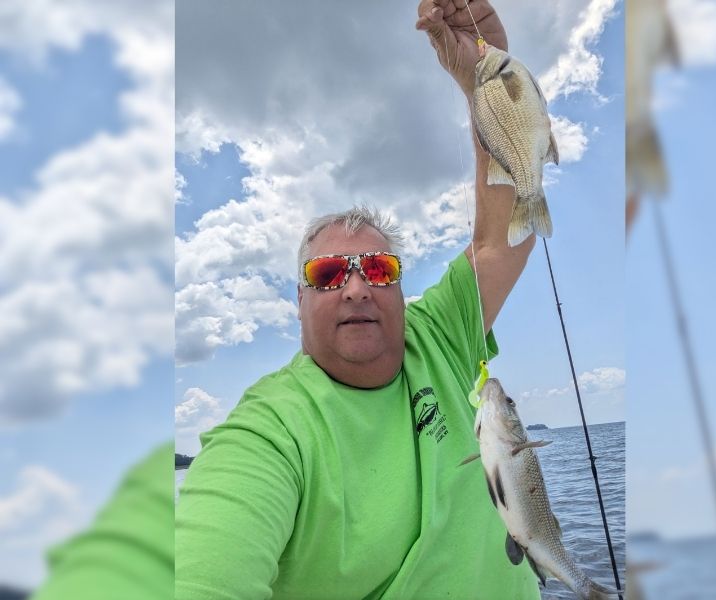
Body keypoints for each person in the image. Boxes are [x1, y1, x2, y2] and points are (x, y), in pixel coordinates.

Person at [175, 1, 539, 598]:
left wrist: (485, 73)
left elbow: (506, 234)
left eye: (376, 266)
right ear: (298, 302)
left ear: (398, 285)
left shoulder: (437, 335)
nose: (355, 286)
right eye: (326, 273)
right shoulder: (271, 432)